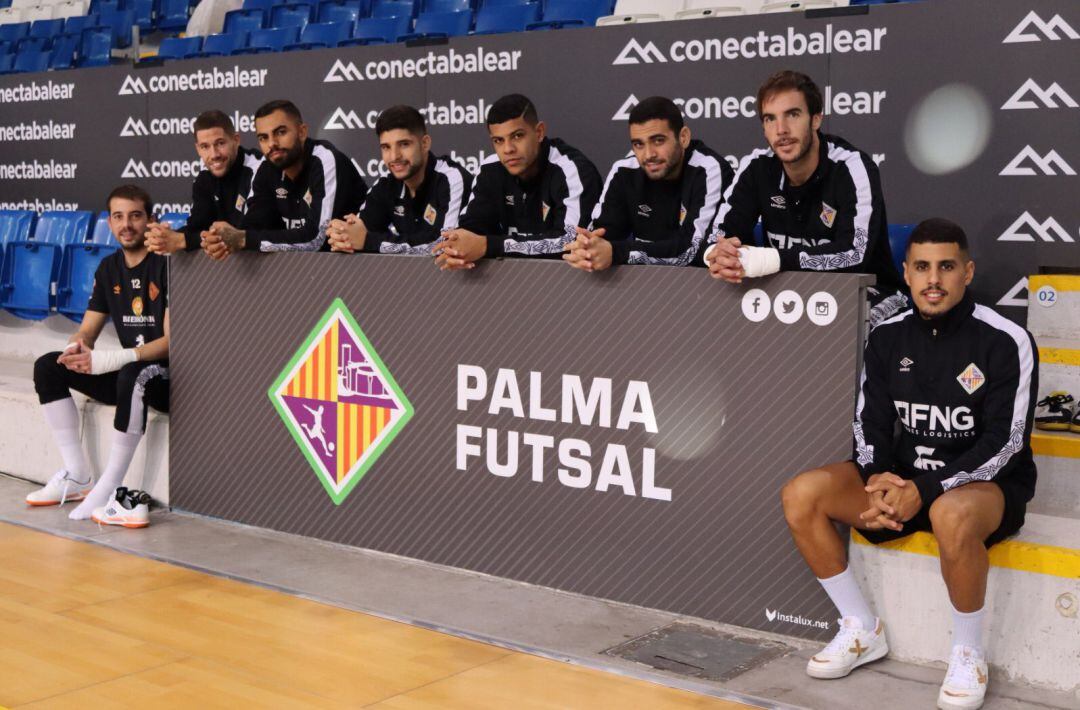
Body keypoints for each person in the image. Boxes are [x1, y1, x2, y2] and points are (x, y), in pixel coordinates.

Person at [780, 219, 1038, 710]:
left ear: (968, 272)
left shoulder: (1006, 339)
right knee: (802, 493)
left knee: (951, 514)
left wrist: (927, 487)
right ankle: (860, 628)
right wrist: (877, 477)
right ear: (906, 273)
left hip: (985, 487)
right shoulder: (886, 337)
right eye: (921, 267)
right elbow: (869, 424)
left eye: (946, 266)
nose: (933, 279)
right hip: (903, 479)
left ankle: (967, 653)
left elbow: (1004, 444)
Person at [704, 70, 906, 326]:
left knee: (850, 327)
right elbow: (717, 238)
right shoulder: (756, 167)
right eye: (770, 119)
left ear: (815, 119)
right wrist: (718, 254)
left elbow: (853, 255)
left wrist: (769, 259)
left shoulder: (853, 168)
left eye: (793, 114)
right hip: (785, 289)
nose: (781, 130)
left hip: (865, 291)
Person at [27, 185, 171, 528]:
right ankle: (78, 475)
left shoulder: (168, 266)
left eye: (136, 216)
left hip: (167, 379)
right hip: (127, 373)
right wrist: (75, 349)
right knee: (49, 366)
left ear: (151, 220)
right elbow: (87, 332)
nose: (127, 225)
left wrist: (108, 359)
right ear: (109, 222)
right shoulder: (108, 268)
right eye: (119, 217)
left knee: (133, 374)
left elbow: (171, 344)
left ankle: (109, 486)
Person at [563, 96, 733, 271]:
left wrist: (618, 252)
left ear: (683, 137)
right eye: (638, 144)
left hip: (704, 289)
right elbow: (601, 237)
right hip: (642, 287)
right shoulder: (624, 171)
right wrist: (589, 249)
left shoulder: (708, 170)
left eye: (658, 141)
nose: (648, 154)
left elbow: (693, 250)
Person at [434, 94, 601, 270]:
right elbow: (472, 227)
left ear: (539, 132)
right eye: (498, 141)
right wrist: (458, 243)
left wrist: (488, 245)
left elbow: (571, 243)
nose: (508, 149)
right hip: (510, 285)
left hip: (570, 287)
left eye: (517, 136)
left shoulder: (571, 170)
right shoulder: (491, 169)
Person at [202, 99, 368, 256]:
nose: (272, 143)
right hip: (302, 273)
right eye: (263, 137)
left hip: (360, 270)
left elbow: (316, 239)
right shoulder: (267, 169)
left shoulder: (325, 159)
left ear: (302, 132)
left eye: (280, 132)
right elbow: (253, 227)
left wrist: (243, 239)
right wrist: (221, 241)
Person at [326, 104, 472, 255]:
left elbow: (443, 245)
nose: (394, 156)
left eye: (404, 144)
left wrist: (369, 241)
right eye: (386, 147)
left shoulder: (451, 179)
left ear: (425, 143)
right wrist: (343, 235)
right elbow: (359, 232)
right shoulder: (385, 185)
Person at [145, 110, 263, 256]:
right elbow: (197, 226)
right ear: (198, 149)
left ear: (236, 140)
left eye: (220, 143)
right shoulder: (205, 176)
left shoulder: (259, 169)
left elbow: (248, 234)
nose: (214, 155)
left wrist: (182, 240)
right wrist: (167, 237)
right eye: (205, 147)